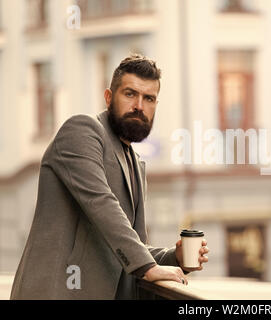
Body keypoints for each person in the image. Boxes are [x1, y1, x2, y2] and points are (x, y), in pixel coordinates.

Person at [10, 54, 209, 299]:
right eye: (129, 94)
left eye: (149, 98)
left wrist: (174, 258)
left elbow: (126, 245)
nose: (139, 106)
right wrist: (147, 266)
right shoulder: (82, 131)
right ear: (108, 97)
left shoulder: (135, 162)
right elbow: (101, 204)